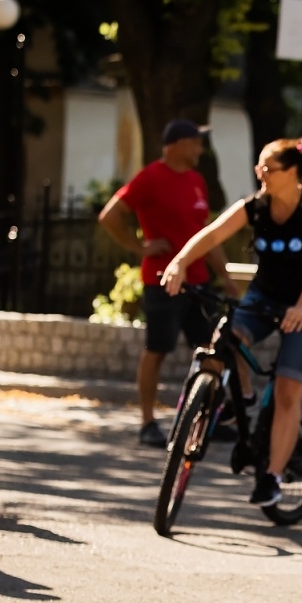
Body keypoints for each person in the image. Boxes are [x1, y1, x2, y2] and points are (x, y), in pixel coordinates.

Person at [162, 137, 302, 506]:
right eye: (259, 167)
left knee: (288, 391)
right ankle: (242, 395)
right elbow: (212, 233)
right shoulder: (256, 206)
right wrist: (179, 262)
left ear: (292, 172)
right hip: (263, 296)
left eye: (268, 168)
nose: (261, 174)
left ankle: (272, 477)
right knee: (225, 340)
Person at [98, 119, 238, 447]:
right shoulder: (150, 177)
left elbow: (208, 235)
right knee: (157, 349)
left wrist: (226, 277)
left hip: (198, 282)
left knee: (213, 349)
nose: (200, 149)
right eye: (196, 142)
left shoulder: (197, 181)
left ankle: (208, 418)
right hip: (162, 281)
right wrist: (139, 247)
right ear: (178, 144)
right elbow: (110, 216)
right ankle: (147, 422)